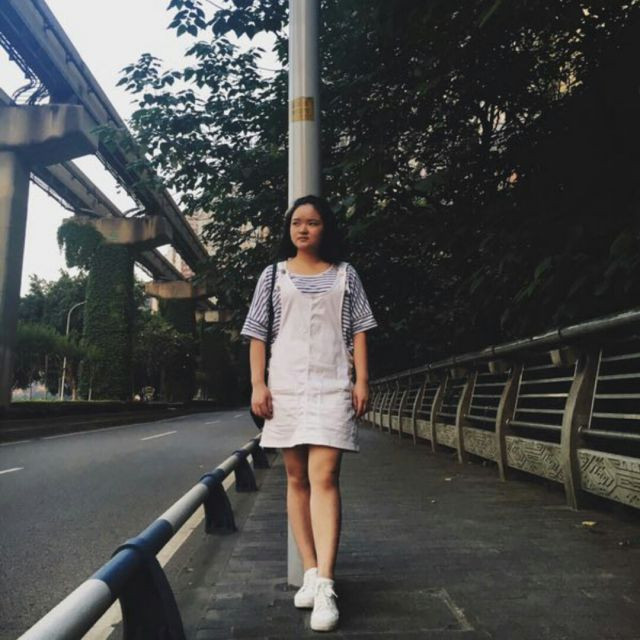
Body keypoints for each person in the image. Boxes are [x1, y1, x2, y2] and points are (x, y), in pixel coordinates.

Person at [241, 194, 377, 632]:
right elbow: (257, 334)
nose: (303, 229)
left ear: (325, 228)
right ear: (289, 229)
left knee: (325, 477)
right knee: (296, 478)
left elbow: (360, 330)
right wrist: (258, 384)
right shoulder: (272, 275)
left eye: (312, 222)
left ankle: (326, 585)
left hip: (332, 385)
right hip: (285, 388)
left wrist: (361, 381)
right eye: (296, 222)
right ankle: (311, 571)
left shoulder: (346, 275)